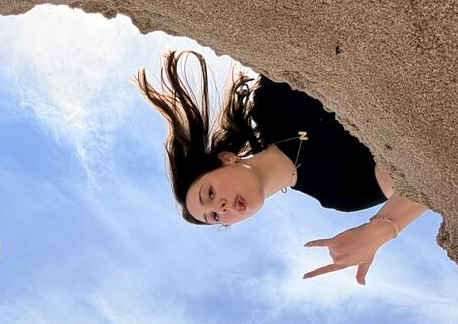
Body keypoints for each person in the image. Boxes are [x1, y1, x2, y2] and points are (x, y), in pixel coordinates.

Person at [136, 51, 429, 284]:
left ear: (227, 159)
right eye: (216, 217)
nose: (222, 207)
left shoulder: (268, 105)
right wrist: (381, 230)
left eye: (209, 193)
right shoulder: (342, 192)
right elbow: (420, 173)